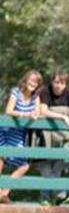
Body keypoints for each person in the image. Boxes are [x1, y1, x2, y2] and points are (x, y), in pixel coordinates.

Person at [36, 70, 69, 206]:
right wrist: (63, 115)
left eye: (62, 83)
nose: (58, 85)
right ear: (52, 82)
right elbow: (43, 111)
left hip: (63, 137)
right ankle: (55, 195)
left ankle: (53, 197)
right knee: (45, 166)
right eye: (56, 82)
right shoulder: (45, 92)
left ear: (65, 84)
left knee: (57, 168)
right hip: (45, 135)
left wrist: (54, 111)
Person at [0, 70, 42, 204]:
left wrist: (35, 114)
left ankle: (3, 193)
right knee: (0, 160)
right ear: (25, 80)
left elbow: (37, 112)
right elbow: (8, 110)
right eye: (31, 80)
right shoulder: (16, 92)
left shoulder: (36, 97)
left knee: (23, 166)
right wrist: (25, 115)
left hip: (18, 134)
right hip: (5, 130)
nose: (33, 84)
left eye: (36, 82)